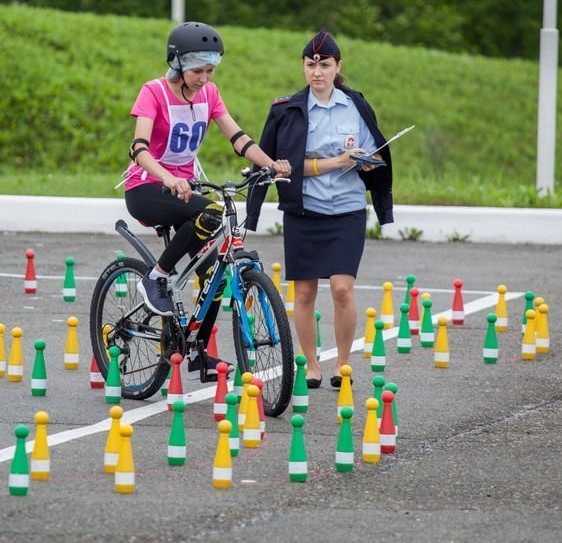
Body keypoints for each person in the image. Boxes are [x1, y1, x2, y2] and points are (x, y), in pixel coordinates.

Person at [123, 22, 291, 374]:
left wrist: (270, 164)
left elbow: (238, 138)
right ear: (177, 63)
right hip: (147, 187)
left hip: (185, 189)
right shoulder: (153, 92)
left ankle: (197, 351)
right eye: (197, 70)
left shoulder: (209, 95)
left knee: (213, 269)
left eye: (210, 70)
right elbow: (138, 149)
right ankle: (157, 277)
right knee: (211, 212)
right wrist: (168, 177)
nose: (204, 78)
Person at [246, 29, 393, 389]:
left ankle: (342, 363)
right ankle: (311, 364)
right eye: (311, 65)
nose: (317, 72)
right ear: (303, 67)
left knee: (342, 288)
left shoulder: (356, 105)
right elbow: (279, 164)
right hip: (304, 211)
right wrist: (334, 161)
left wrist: (366, 162)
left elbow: (376, 151)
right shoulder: (287, 110)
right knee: (305, 292)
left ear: (338, 66)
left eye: (325, 65)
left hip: (346, 210)